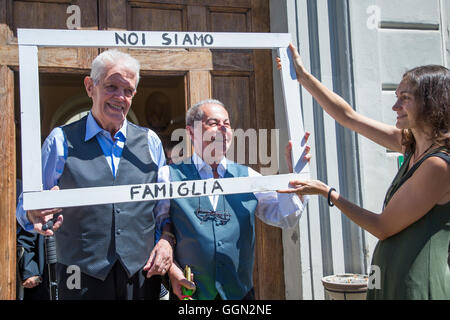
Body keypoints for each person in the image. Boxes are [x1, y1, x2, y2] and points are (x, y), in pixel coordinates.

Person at [277, 44, 450, 299]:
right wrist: (304, 78)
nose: (395, 106)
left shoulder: (439, 164)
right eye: (396, 96)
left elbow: (382, 227)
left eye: (405, 98)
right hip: (392, 277)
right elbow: (349, 117)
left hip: (418, 283)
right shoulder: (410, 143)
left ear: (431, 103)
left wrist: (329, 193)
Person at [16, 49, 174, 300]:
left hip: (140, 275)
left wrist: (166, 239)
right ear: (90, 87)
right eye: (112, 86)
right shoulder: (60, 140)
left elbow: (163, 208)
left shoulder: (150, 141)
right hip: (79, 276)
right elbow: (27, 205)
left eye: (128, 91)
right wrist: (32, 213)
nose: (120, 97)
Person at [155, 99, 311, 300]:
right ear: (191, 132)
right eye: (213, 123)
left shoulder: (248, 177)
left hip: (240, 295)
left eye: (227, 124)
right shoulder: (168, 176)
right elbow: (157, 229)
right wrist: (172, 270)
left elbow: (286, 216)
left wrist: (294, 179)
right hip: (189, 295)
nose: (223, 128)